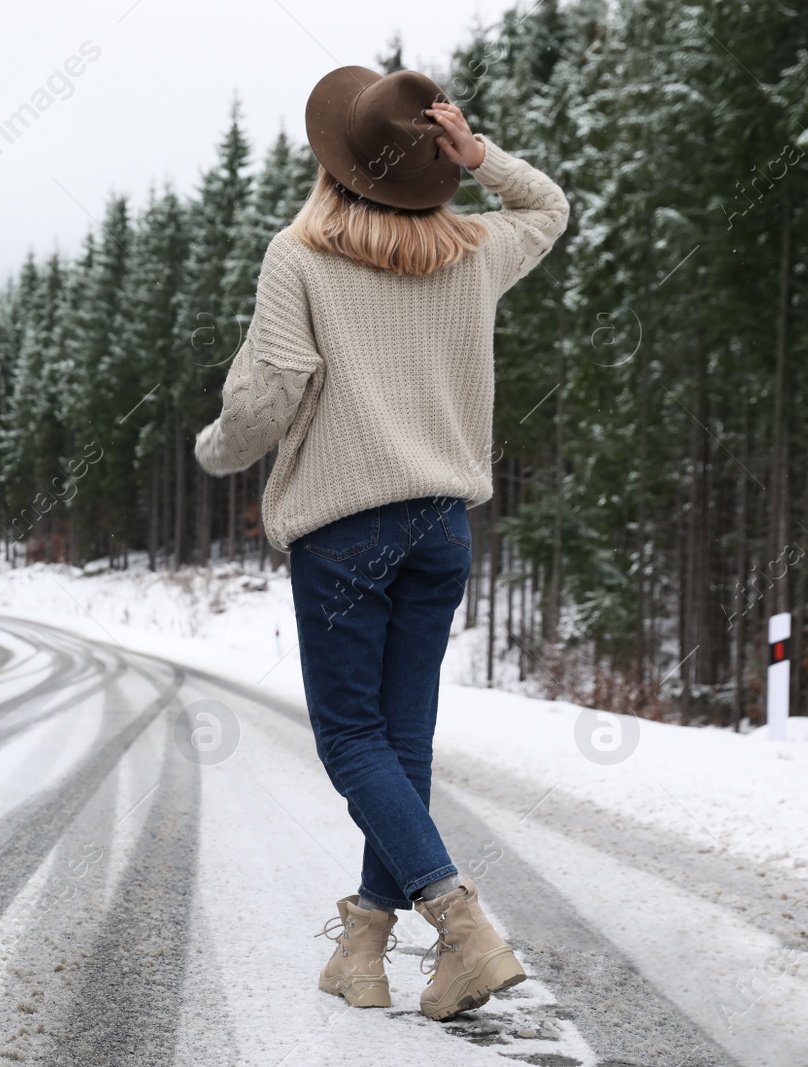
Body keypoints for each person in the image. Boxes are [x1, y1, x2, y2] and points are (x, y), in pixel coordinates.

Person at [193, 65, 568, 1020]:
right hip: (443, 528)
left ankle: (462, 927)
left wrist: (216, 450)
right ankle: (364, 946)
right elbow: (551, 207)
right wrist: (482, 159)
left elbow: (270, 388)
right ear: (432, 164)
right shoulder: (474, 249)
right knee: (402, 743)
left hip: (346, 528)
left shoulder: (301, 255)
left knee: (354, 739)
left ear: (337, 162)